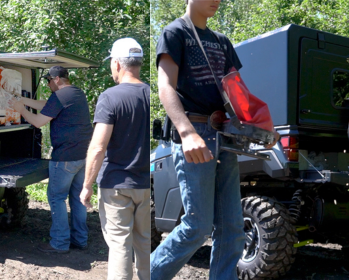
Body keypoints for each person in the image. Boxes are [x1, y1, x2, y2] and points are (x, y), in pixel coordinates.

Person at [149, 0, 279, 279]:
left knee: (232, 229)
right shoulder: (175, 32)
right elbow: (165, 87)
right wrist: (186, 132)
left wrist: (263, 126)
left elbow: (237, 94)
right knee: (197, 226)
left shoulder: (222, 41)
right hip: (195, 133)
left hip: (223, 136)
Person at [79, 37, 151, 280]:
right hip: (144, 184)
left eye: (111, 63)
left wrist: (87, 186)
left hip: (116, 186)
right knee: (143, 244)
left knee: (120, 244)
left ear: (118, 64)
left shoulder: (110, 97)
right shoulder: (153, 95)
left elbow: (98, 147)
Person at [10, 65, 91, 254]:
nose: (47, 84)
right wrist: (24, 100)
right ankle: (80, 240)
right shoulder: (76, 93)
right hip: (82, 156)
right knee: (78, 199)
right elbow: (48, 105)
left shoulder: (60, 96)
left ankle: (59, 243)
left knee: (56, 198)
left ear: (56, 79)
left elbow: (38, 121)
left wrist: (20, 108)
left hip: (65, 158)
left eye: (48, 80)